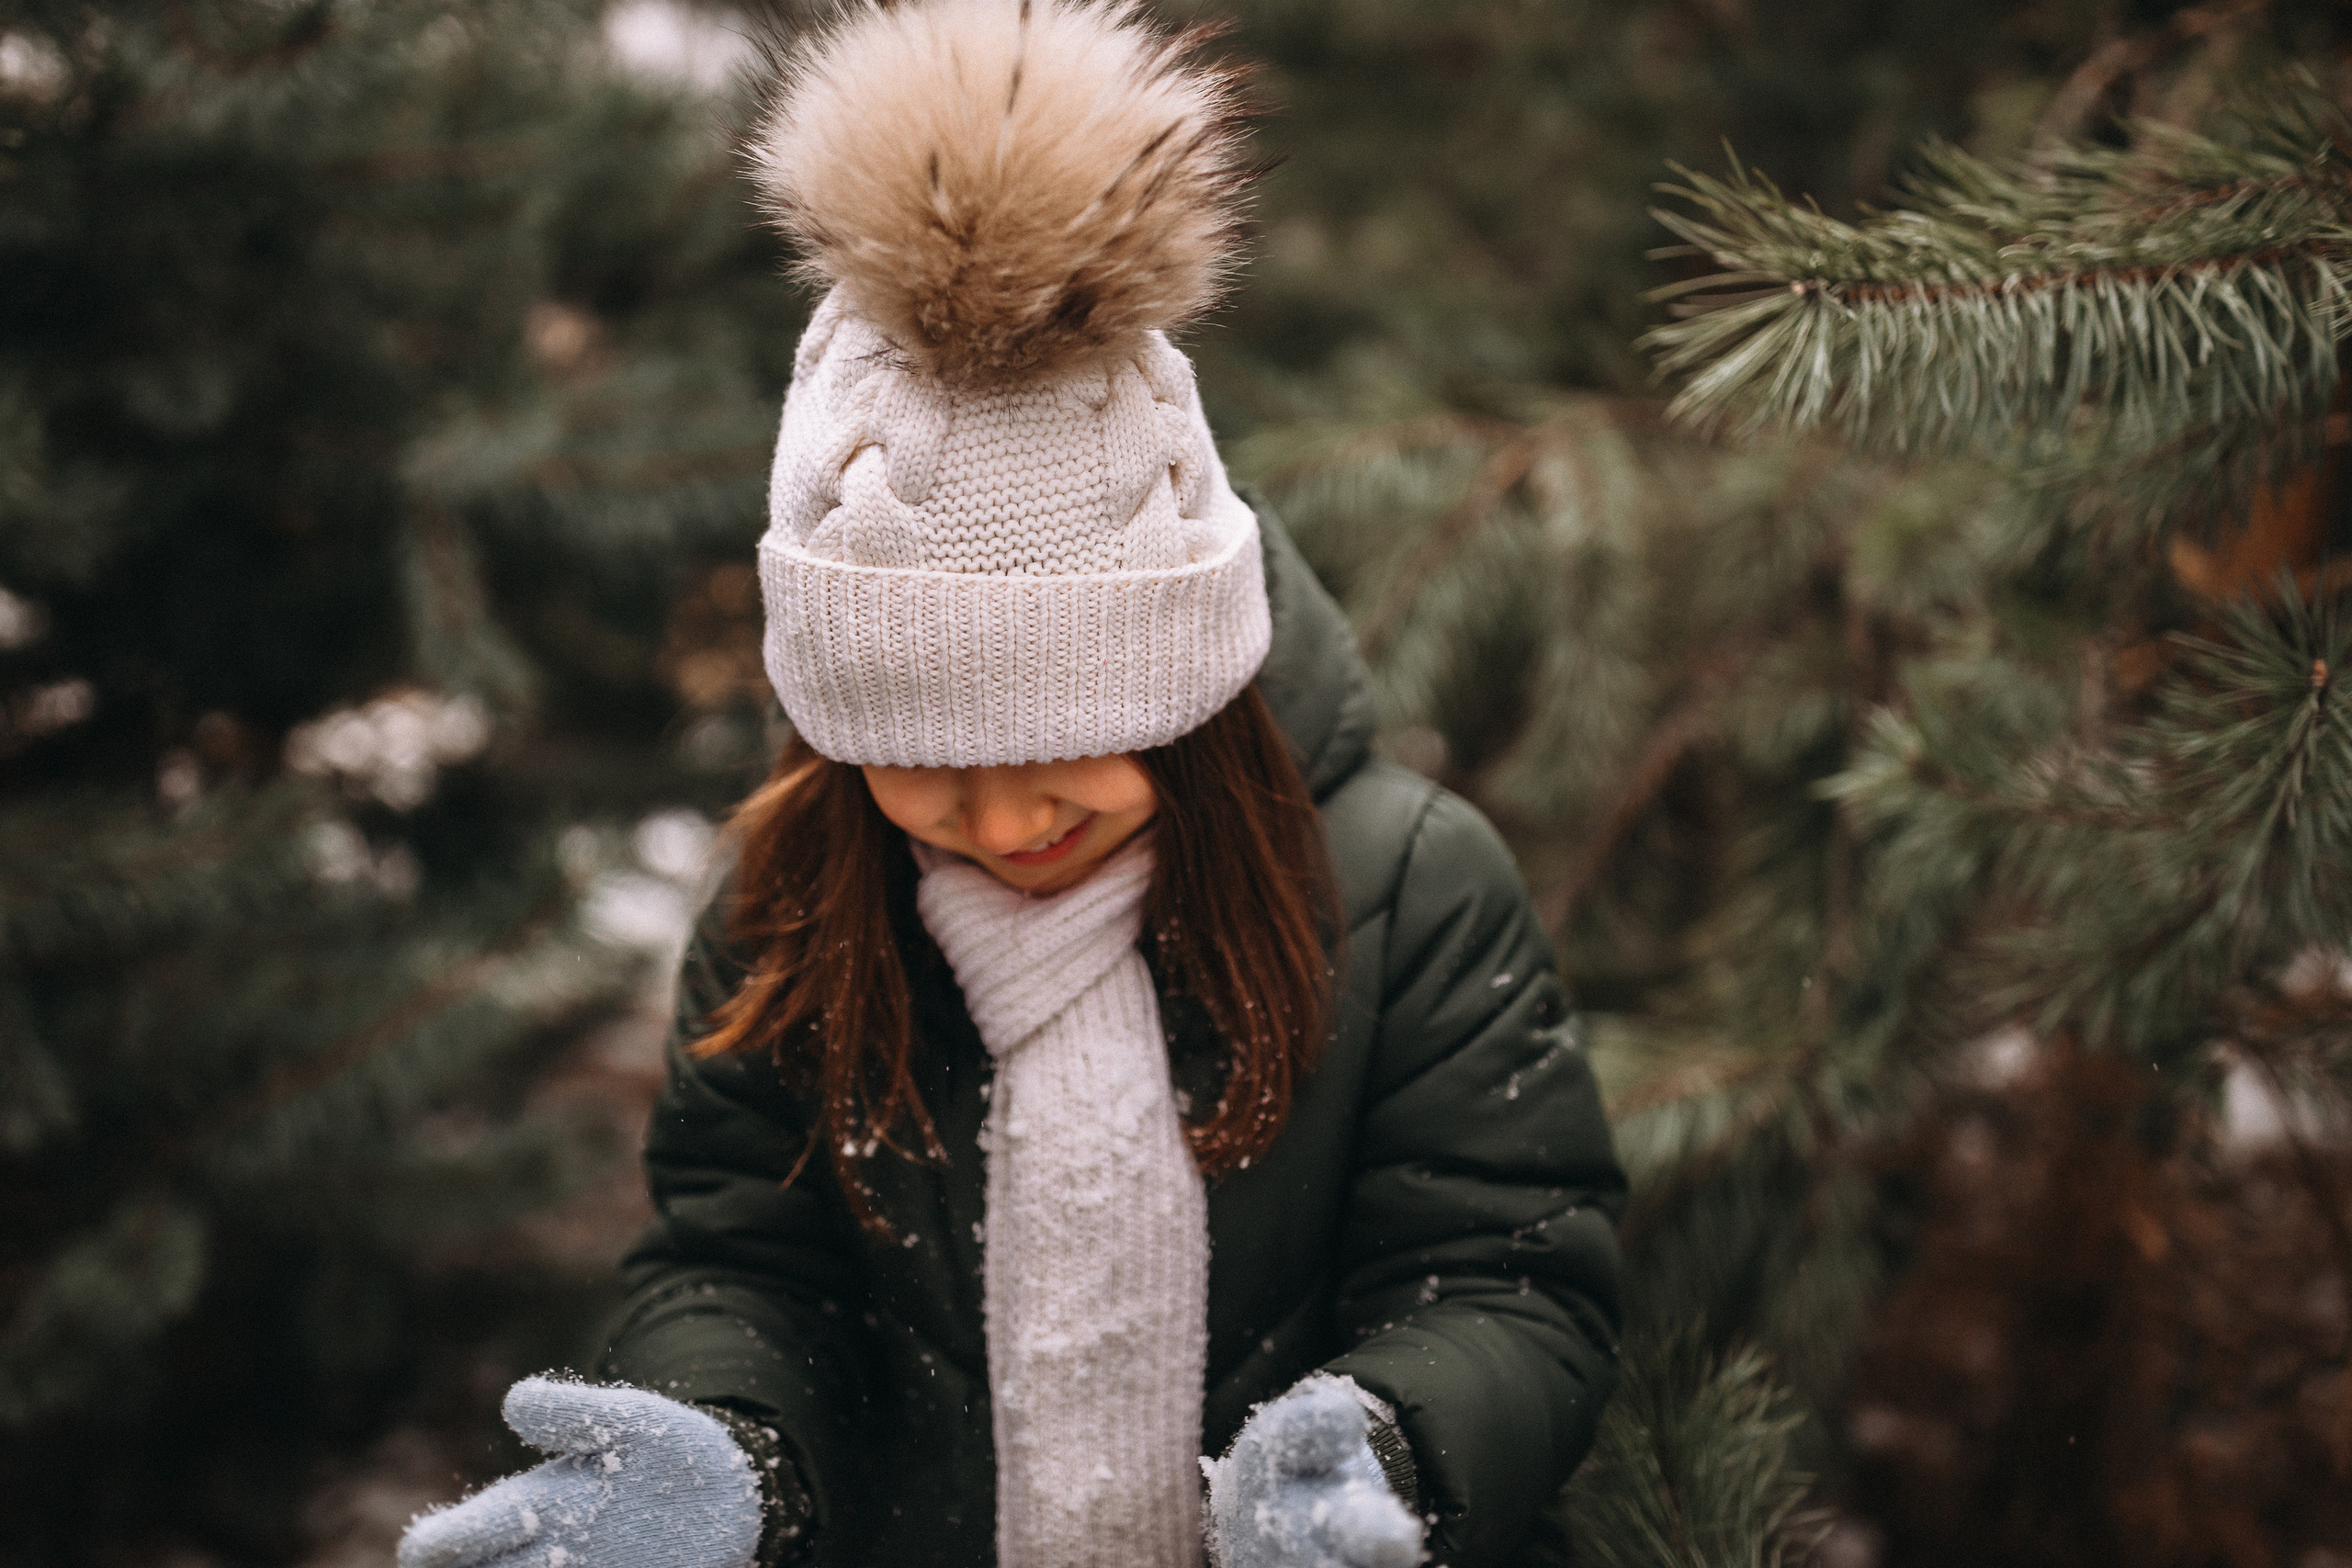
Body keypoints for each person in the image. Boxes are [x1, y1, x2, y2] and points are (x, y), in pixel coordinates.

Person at [397, 3, 1624, 1567]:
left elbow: (1509, 1274)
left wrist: (1391, 1445)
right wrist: (726, 1461)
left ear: (1188, 699)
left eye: (1061, 751)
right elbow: (741, 1267)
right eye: (920, 767)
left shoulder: (1405, 887)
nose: (994, 824)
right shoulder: (792, 902)